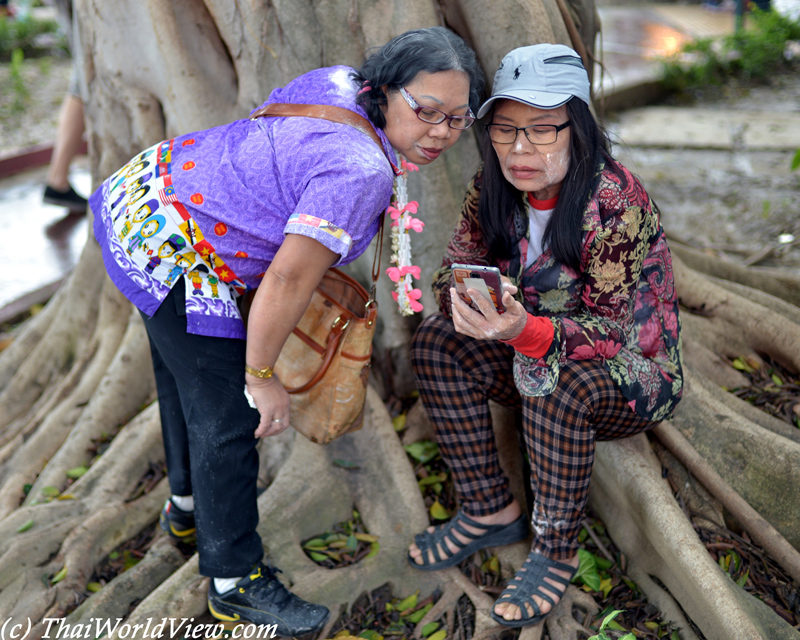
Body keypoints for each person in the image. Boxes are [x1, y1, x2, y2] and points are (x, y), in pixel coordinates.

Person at [89, 27, 484, 633]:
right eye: (426, 112)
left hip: (146, 191)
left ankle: (189, 510)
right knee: (230, 417)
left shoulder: (339, 83)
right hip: (180, 251)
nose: (441, 133)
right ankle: (233, 583)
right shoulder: (361, 172)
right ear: (384, 89)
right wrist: (261, 376)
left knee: (182, 375)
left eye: (459, 119)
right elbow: (287, 282)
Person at [407, 43, 683, 629]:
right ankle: (488, 508)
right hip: (526, 344)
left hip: (629, 373)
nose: (519, 149)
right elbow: (453, 266)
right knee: (435, 341)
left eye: (541, 130)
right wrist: (464, 299)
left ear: (576, 128)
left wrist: (524, 330)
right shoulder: (493, 186)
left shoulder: (612, 202)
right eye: (504, 131)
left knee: (553, 381)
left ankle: (555, 548)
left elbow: (612, 332)